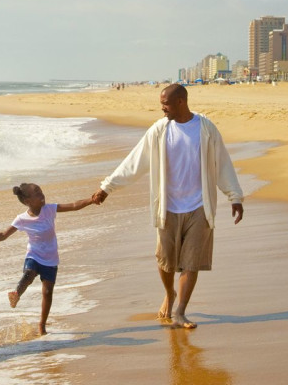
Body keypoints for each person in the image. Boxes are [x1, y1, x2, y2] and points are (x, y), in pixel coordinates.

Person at [91, 83, 244, 329]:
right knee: (165, 262)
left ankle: (180, 311)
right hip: (168, 206)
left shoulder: (205, 129)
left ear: (181, 102)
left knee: (191, 262)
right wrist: (107, 187)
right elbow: (135, 162)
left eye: (166, 104)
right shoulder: (160, 130)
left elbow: (222, 163)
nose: (163, 109)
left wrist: (234, 196)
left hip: (199, 207)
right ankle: (169, 293)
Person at [0, 183, 95, 335]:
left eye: (41, 191)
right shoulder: (22, 219)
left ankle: (42, 325)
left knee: (47, 293)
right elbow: (4, 234)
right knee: (29, 273)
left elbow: (73, 205)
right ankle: (17, 294)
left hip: (51, 259)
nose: (42, 195)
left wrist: (91, 200)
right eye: (37, 193)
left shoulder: (49, 209)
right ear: (27, 201)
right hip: (34, 255)